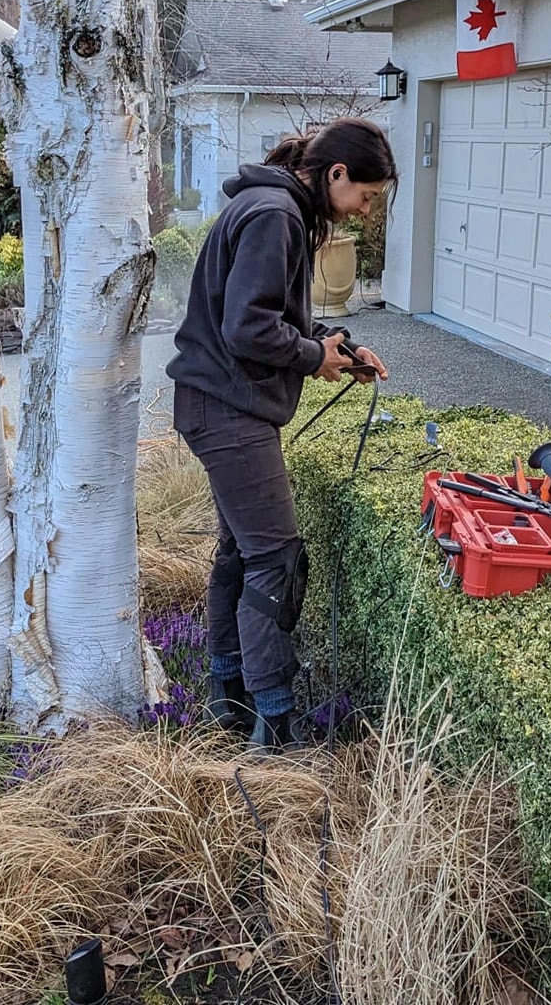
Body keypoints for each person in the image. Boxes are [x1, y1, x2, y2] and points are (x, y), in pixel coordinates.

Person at [166, 118, 398, 751]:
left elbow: (272, 315)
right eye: (366, 197)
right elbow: (248, 330)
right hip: (229, 410)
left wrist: (336, 346)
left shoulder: (270, 203)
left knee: (242, 553)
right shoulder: (279, 215)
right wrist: (310, 357)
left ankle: (229, 697)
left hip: (215, 403)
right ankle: (276, 725)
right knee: (276, 561)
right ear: (337, 174)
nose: (365, 212)